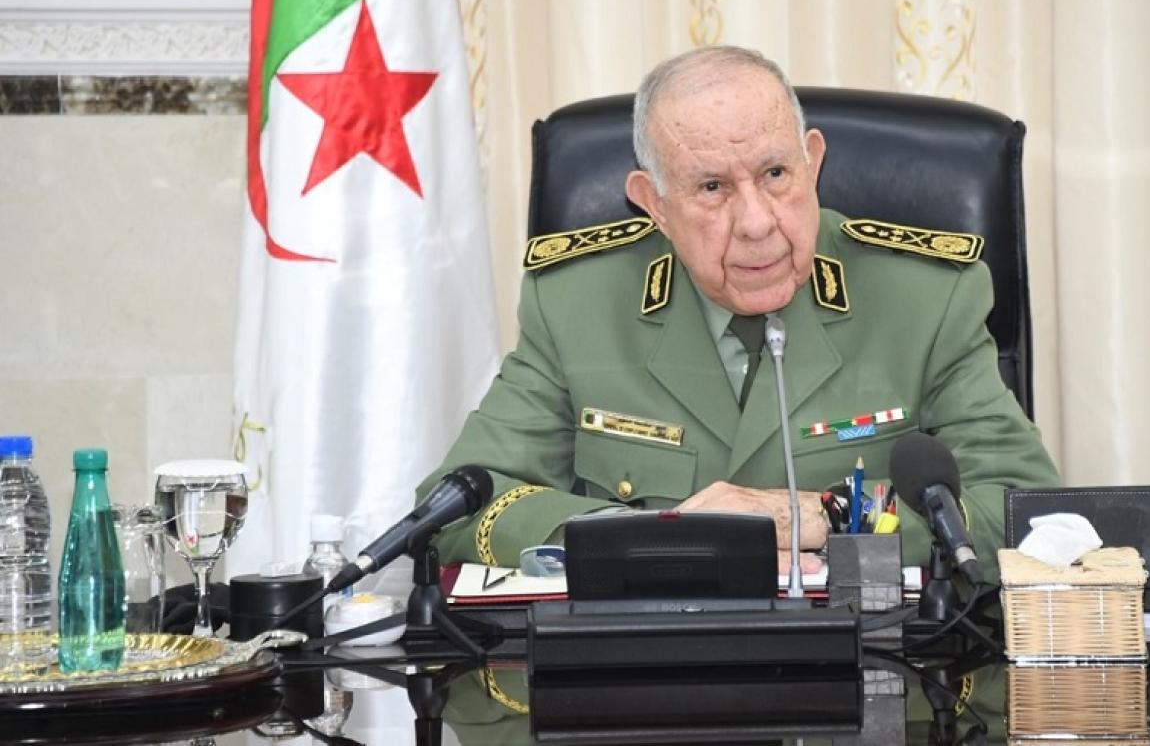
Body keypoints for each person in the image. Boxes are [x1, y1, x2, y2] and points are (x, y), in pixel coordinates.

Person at [418, 45, 1059, 580]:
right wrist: (656, 537)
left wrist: (826, 518)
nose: (756, 223)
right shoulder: (576, 303)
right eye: (712, 187)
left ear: (813, 162)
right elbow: (457, 506)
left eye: (776, 173)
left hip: (871, 669)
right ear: (653, 204)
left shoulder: (925, 298)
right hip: (652, 670)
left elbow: (1028, 510)